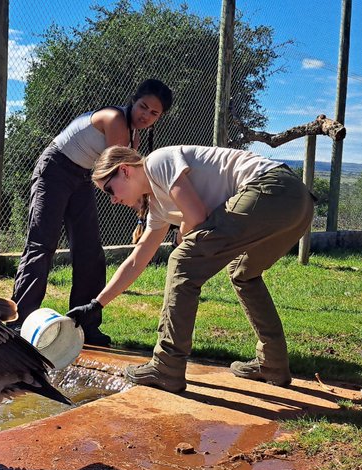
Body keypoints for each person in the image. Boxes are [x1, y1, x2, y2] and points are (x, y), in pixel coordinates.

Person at [65, 144, 315, 393]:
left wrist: (183, 236)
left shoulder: (157, 162)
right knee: (244, 273)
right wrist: (96, 305)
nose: (113, 199)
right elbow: (136, 261)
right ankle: (273, 363)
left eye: (109, 189)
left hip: (271, 189)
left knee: (181, 262)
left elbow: (196, 216)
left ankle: (167, 366)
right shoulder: (158, 207)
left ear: (125, 170)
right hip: (297, 202)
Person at [10, 79, 174, 347]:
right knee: (42, 244)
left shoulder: (134, 136)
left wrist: (144, 209)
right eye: (143, 106)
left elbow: (129, 180)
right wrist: (144, 207)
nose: (146, 115)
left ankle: (84, 324)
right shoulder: (115, 119)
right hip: (55, 169)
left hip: (83, 176)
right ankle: (19, 321)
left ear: (159, 118)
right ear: (134, 100)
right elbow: (117, 172)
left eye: (154, 113)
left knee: (90, 251)